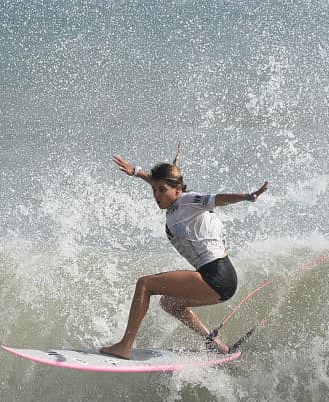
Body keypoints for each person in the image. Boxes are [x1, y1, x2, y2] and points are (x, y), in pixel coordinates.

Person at [100, 147, 268, 359]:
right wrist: (136, 172)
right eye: (155, 190)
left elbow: (218, 198)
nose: (156, 195)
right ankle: (218, 346)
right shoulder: (175, 205)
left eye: (162, 190)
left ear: (178, 190)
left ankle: (125, 345)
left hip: (216, 275)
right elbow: (160, 182)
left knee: (145, 284)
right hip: (220, 279)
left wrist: (246, 196)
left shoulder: (188, 201)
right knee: (169, 303)